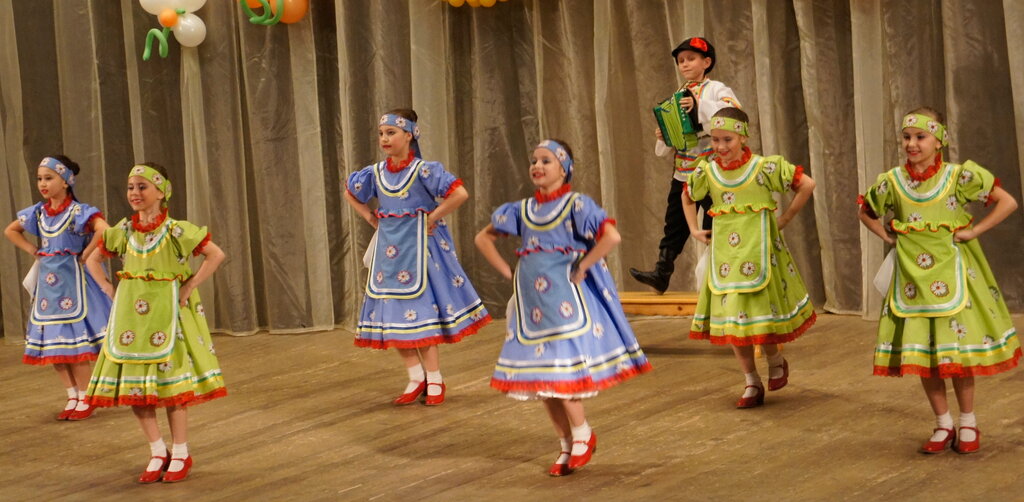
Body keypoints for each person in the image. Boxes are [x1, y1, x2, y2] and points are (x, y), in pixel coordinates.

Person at [476, 138, 652, 476]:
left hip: (566, 304)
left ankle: (583, 433)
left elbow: (611, 236)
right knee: (543, 380)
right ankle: (566, 443)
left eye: (546, 160)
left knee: (562, 371)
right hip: (533, 306)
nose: (537, 166)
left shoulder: (576, 205)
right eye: (534, 160)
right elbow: (482, 238)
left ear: (564, 168)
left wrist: (584, 265)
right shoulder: (522, 210)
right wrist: (509, 273)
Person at [858, 107, 1020, 454]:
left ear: (939, 140)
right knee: (926, 356)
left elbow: (1007, 202)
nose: (912, 144)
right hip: (913, 285)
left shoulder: (958, 177)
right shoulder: (892, 182)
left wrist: (973, 231)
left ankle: (968, 421)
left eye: (921, 136)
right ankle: (943, 423)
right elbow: (866, 211)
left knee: (955, 355)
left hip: (954, 279)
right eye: (906, 137)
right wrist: (887, 238)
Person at [84, 163, 227, 483]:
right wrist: (108, 288)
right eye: (131, 187)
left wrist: (189, 286)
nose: (134, 193)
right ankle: (157, 450)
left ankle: (181, 452)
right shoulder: (124, 231)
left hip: (168, 319)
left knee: (172, 389)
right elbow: (93, 258)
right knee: (136, 388)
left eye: (142, 186)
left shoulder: (176, 231)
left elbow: (215, 254)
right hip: (132, 322)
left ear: (162, 192)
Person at [344, 109, 490, 406]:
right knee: (394, 317)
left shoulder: (424, 170)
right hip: (390, 256)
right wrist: (371, 218)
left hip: (422, 253)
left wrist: (431, 218)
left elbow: (459, 194)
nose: (384, 138)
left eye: (391, 133)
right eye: (381, 133)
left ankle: (434, 378)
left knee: (421, 316)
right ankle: (415, 376)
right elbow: (350, 192)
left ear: (409, 135)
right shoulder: (375, 173)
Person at [685, 107, 817, 408]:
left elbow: (806, 184)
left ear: (743, 137)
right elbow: (687, 195)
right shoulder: (708, 172)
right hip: (726, 260)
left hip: (760, 256)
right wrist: (694, 229)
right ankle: (751, 381)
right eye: (715, 140)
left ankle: (775, 360)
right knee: (734, 320)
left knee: (760, 316)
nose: (720, 147)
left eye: (727, 140)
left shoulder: (763, 168)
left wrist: (784, 219)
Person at [631, 36, 742, 293]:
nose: (685, 64)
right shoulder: (678, 94)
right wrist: (665, 136)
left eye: (691, 58)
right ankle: (662, 271)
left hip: (712, 169)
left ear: (707, 62)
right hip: (684, 170)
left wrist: (699, 105)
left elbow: (734, 113)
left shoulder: (717, 89)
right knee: (675, 222)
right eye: (681, 61)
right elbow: (677, 133)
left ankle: (720, 274)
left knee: (716, 219)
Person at [4, 155, 112, 421]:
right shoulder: (38, 213)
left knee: (75, 348)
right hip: (48, 292)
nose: (43, 183)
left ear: (65, 181)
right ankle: (72, 395)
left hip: (74, 286)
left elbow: (104, 229)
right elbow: (10, 230)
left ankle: (86, 396)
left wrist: (86, 253)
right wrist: (33, 249)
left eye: (49, 178)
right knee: (55, 347)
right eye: (40, 178)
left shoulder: (78, 212)